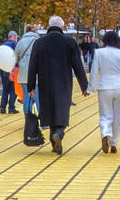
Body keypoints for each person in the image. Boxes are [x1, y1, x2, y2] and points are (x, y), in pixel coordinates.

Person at [26, 16, 88, 155]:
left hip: (45, 81)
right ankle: (59, 132)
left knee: (48, 110)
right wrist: (84, 86)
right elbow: (78, 65)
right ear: (62, 27)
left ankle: (54, 141)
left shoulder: (39, 43)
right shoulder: (69, 42)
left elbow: (32, 66)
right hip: (63, 82)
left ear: (49, 26)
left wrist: (30, 86)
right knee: (62, 108)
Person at [87, 30, 120, 155]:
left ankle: (105, 134)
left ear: (105, 40)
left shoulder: (99, 53)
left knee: (105, 115)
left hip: (104, 87)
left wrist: (90, 88)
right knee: (117, 116)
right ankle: (114, 143)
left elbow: (94, 71)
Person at [14, 23, 43, 146]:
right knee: (38, 98)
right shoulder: (39, 40)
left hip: (24, 75)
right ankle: (43, 120)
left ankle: (28, 119)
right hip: (37, 74)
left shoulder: (20, 42)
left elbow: (15, 58)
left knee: (27, 98)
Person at [0, 31, 18, 114]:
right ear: (13, 37)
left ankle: (2, 108)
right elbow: (17, 56)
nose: (16, 39)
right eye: (16, 37)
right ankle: (11, 108)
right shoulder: (14, 45)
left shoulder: (2, 45)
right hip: (12, 69)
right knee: (13, 89)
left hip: (3, 69)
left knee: (5, 89)